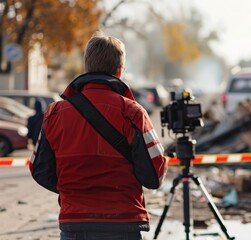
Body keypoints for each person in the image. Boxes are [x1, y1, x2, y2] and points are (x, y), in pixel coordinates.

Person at [29, 30, 168, 240]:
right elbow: (154, 176)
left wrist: (74, 191)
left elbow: (40, 170)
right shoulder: (133, 113)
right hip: (124, 223)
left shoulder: (54, 113)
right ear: (119, 71)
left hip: (74, 224)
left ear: (86, 67)